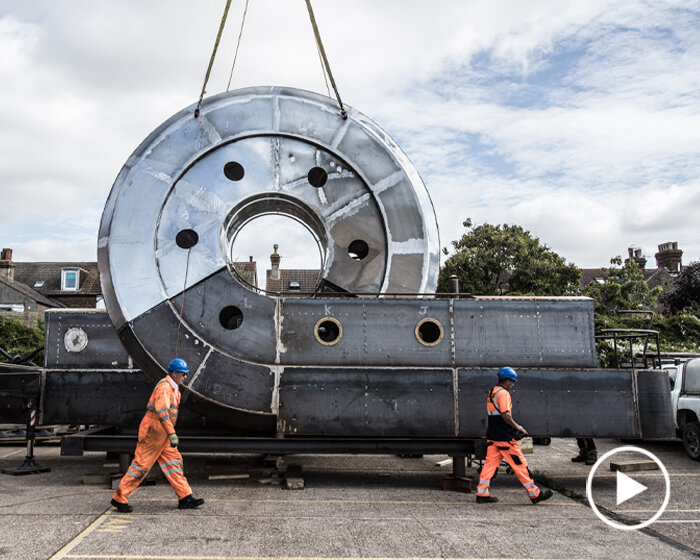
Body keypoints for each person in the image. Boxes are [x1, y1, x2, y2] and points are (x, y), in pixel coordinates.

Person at [111, 358, 204, 513]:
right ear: (174, 373)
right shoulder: (164, 388)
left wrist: (168, 434)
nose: (185, 377)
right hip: (153, 432)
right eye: (183, 374)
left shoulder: (174, 389)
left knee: (174, 464)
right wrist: (172, 433)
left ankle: (185, 497)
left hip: (163, 434)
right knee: (140, 466)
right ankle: (119, 498)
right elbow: (162, 413)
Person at [476, 366, 553, 505]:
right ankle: (534, 494)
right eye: (512, 382)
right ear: (506, 381)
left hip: (493, 435)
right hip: (504, 438)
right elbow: (505, 414)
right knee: (520, 465)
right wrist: (518, 427)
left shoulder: (492, 392)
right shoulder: (504, 394)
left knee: (490, 465)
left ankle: (482, 493)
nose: (512, 385)